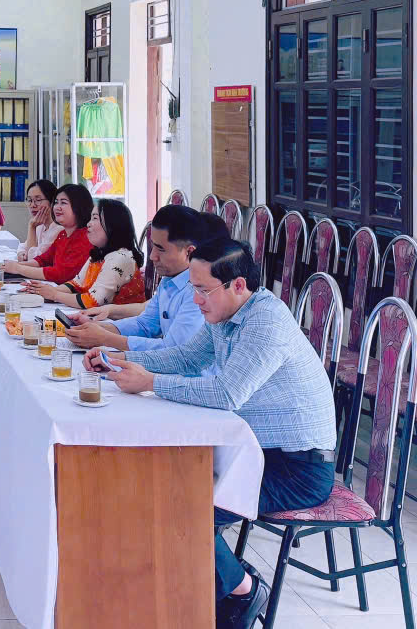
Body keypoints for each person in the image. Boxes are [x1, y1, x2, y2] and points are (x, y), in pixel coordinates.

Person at [86, 239, 337, 629]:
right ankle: (182, 592)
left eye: (203, 290)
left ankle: (243, 590)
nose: (197, 300)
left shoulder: (266, 322)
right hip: (251, 450)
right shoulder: (226, 312)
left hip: (297, 468)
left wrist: (150, 382)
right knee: (158, 484)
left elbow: (227, 393)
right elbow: (188, 357)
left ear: (238, 285)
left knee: (182, 506)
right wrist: (119, 359)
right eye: (194, 289)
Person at [64, 207, 225, 351]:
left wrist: (106, 339)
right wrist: (96, 328)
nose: (152, 256)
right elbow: (145, 324)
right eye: (153, 246)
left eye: (161, 249)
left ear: (189, 252)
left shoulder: (199, 291)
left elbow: (174, 351)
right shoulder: (169, 280)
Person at [24, 198, 144, 308]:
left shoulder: (120, 257)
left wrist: (55, 294)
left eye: (95, 218)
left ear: (113, 224)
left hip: (117, 322)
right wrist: (44, 290)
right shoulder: (99, 253)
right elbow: (76, 284)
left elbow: (93, 301)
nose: (88, 224)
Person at [0, 184, 94, 283]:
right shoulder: (63, 234)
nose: (57, 207)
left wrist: (19, 268)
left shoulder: (86, 238)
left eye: (63, 203)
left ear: (79, 207)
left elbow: (61, 274)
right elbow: (43, 260)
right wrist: (14, 266)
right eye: (56, 202)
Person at [16, 179, 62, 261]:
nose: (32, 205)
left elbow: (34, 260)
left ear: (52, 202)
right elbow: (24, 246)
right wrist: (21, 253)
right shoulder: (40, 226)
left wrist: (31, 227)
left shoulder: (58, 230)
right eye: (29, 200)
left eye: (38, 200)